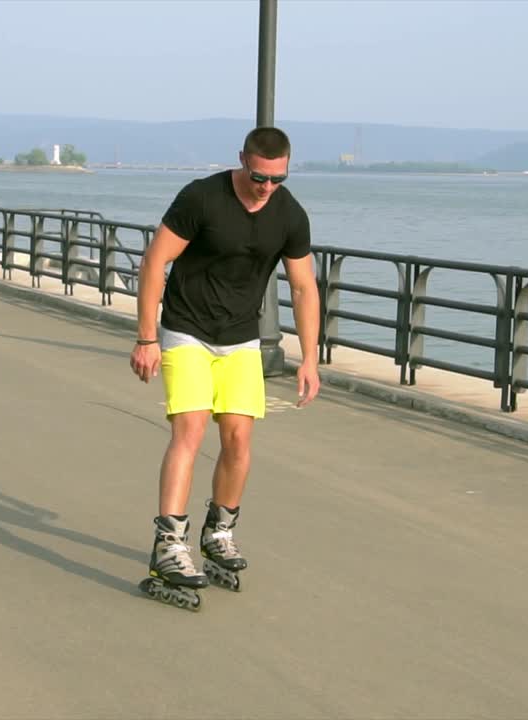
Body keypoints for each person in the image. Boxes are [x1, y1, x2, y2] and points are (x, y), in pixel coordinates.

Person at [129, 126, 321, 600]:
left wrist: (310, 358)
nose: (267, 187)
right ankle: (169, 545)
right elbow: (155, 261)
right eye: (259, 177)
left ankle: (218, 533)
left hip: (240, 339)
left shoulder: (289, 214)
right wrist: (147, 337)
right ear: (242, 160)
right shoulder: (202, 198)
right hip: (186, 329)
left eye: (277, 179)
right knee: (190, 431)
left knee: (238, 440)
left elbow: (303, 288)